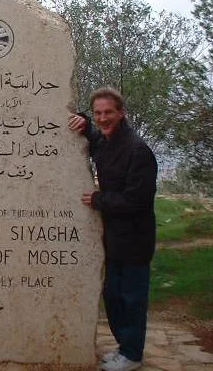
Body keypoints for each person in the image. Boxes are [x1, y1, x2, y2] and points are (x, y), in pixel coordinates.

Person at [68, 87, 157, 371]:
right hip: (114, 236)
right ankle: (124, 349)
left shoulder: (137, 150)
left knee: (132, 298)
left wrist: (98, 199)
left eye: (108, 112)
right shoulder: (107, 142)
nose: (103, 118)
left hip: (135, 237)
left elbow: (137, 199)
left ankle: (132, 354)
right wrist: (82, 121)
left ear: (121, 113)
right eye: (98, 113)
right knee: (113, 296)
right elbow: (93, 138)